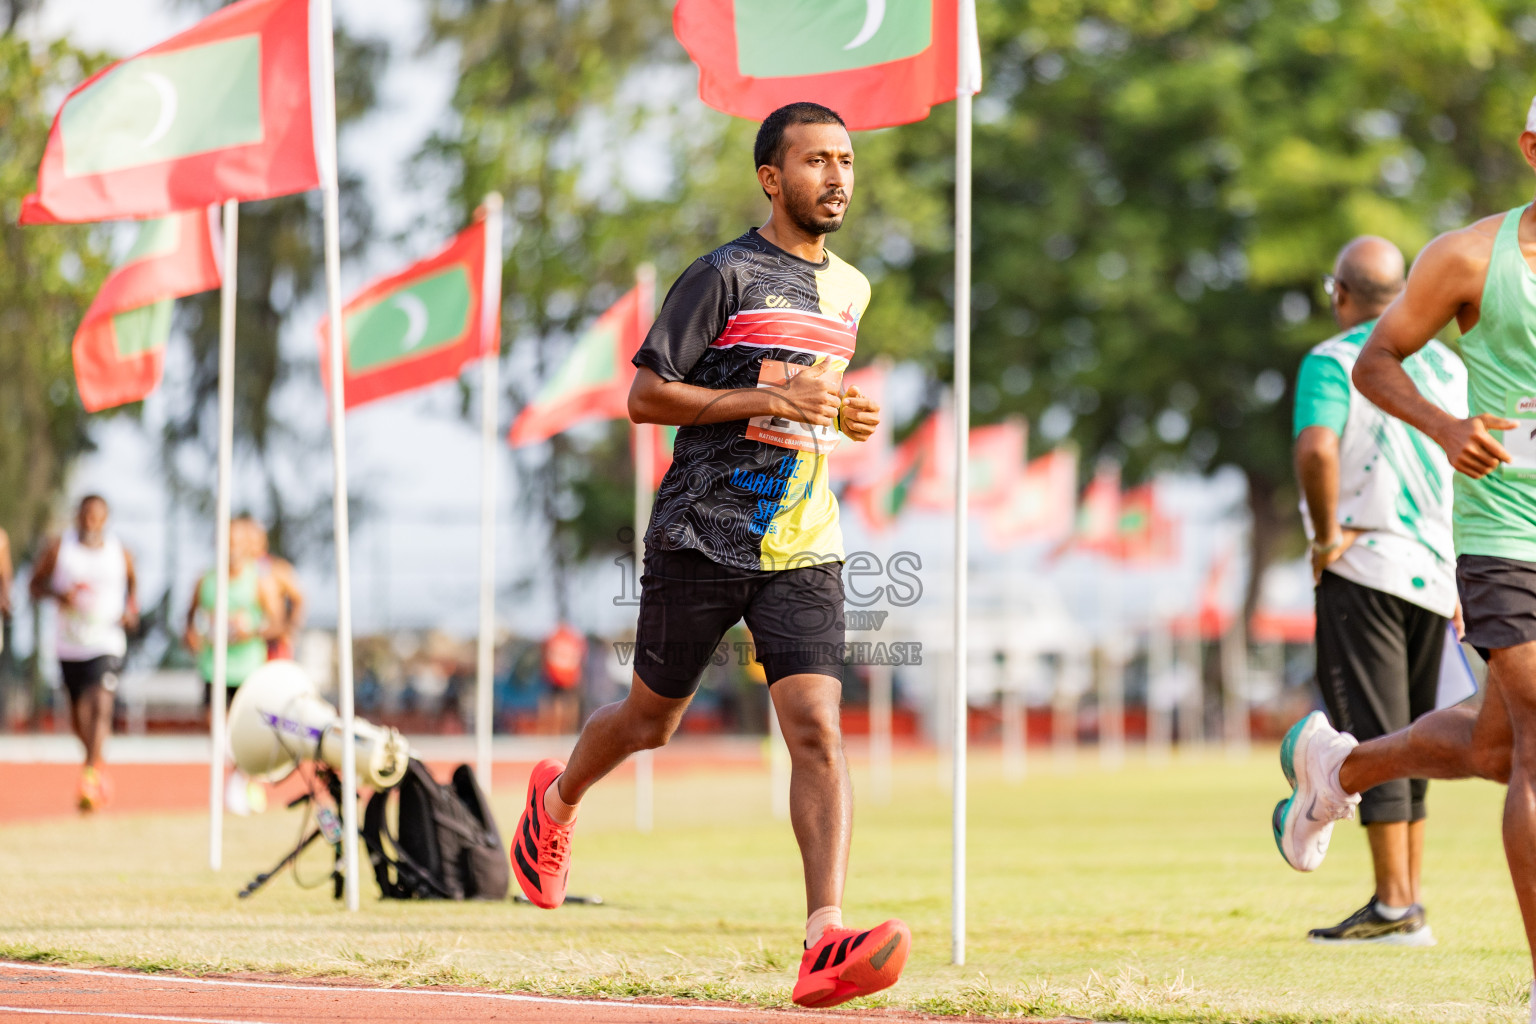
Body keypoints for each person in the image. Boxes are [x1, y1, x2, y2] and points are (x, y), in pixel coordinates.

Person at [509, 102, 907, 1009]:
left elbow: (808, 395)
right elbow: (646, 397)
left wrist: (841, 413)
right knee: (651, 721)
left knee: (817, 727)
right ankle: (556, 799)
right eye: (816, 162)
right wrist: (777, 401)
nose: (837, 177)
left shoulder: (852, 288)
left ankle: (823, 939)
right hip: (700, 532)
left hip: (805, 540)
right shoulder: (722, 275)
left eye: (846, 160)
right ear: (773, 178)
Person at [1273, 98, 1536, 1014]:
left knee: (1497, 745)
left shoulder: (1350, 340)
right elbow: (1375, 373)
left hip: (1394, 560)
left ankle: (1337, 772)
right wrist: (1448, 429)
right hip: (1490, 540)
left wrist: (1325, 536)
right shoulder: (1467, 274)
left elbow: (1321, 438)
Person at [1288, 236, 1466, 945]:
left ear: (1340, 294)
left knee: (1375, 734)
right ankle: (1406, 901)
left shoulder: (1333, 360)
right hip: (1439, 570)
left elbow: (1315, 447)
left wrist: (1326, 536)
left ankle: (1395, 908)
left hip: (1365, 565)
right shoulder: (1450, 367)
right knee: (1416, 736)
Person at [28, 495, 138, 811]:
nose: (91, 521)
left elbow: (133, 586)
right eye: (86, 515)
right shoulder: (59, 550)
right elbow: (35, 585)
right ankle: (96, 761)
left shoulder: (121, 553)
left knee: (102, 704)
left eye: (97, 516)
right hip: (70, 644)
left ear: (106, 519)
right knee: (79, 717)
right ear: (78, 516)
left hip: (107, 640)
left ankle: (89, 776)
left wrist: (131, 610)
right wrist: (59, 595)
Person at [184, 519, 283, 814]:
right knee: (219, 734)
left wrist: (249, 630)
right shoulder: (207, 580)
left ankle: (242, 782)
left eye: (237, 542)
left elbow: (277, 623)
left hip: (248, 669)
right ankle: (240, 776)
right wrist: (193, 637)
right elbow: (190, 618)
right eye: (227, 541)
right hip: (213, 668)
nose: (232, 548)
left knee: (248, 730)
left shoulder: (260, 580)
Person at [245, 517, 305, 661]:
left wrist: (289, 629)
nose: (250, 544)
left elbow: (299, 598)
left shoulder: (276, 568)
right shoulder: (234, 573)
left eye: (253, 538)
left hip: (273, 645)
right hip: (244, 646)